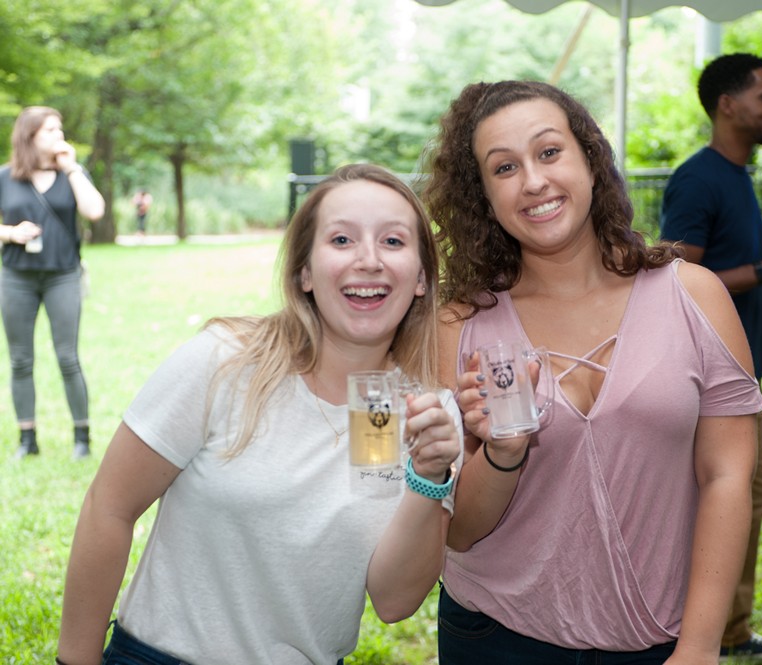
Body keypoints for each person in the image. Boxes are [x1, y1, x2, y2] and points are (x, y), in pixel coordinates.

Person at [57, 163, 463, 665]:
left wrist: (430, 476)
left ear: (421, 278)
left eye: (394, 242)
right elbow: (109, 507)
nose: (369, 260)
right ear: (304, 272)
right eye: (341, 240)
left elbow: (394, 602)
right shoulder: (226, 360)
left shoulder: (425, 415)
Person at [422, 79, 762, 665]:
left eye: (549, 152)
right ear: (483, 194)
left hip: (661, 639)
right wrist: (500, 448)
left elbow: (728, 476)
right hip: (496, 634)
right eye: (504, 168)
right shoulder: (460, 325)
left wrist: (701, 646)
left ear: (590, 158)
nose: (533, 181)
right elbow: (457, 530)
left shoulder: (695, 297)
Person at [659, 53, 762, 661]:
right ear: (728, 105)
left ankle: (728, 630)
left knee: (750, 496)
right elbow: (676, 276)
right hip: (710, 380)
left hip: (740, 376)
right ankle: (714, 632)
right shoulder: (699, 178)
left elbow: (718, 263)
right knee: (736, 495)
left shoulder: (736, 174)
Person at [0, 106, 106, 460]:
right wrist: (11, 233)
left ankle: (82, 438)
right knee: (20, 360)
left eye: (60, 129)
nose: (58, 136)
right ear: (30, 136)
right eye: (50, 130)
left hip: (62, 275)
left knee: (67, 357)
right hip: (17, 278)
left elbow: (94, 211)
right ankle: (27, 440)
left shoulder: (72, 174)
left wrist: (71, 167)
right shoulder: (6, 177)